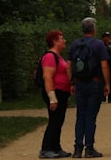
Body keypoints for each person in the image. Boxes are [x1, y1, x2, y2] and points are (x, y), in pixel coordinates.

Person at [69, 18, 111, 158]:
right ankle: (89, 148)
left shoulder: (75, 44)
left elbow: (70, 65)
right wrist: (107, 83)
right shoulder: (98, 44)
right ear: (93, 29)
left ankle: (77, 149)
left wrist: (72, 82)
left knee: (80, 115)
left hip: (80, 83)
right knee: (91, 116)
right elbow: (104, 65)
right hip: (94, 82)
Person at [40, 30, 72, 158]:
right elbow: (47, 77)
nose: (64, 41)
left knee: (59, 121)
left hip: (62, 93)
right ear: (54, 41)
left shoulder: (58, 56)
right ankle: (46, 148)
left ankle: (56, 147)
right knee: (54, 121)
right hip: (54, 92)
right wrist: (52, 98)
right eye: (61, 38)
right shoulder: (49, 56)